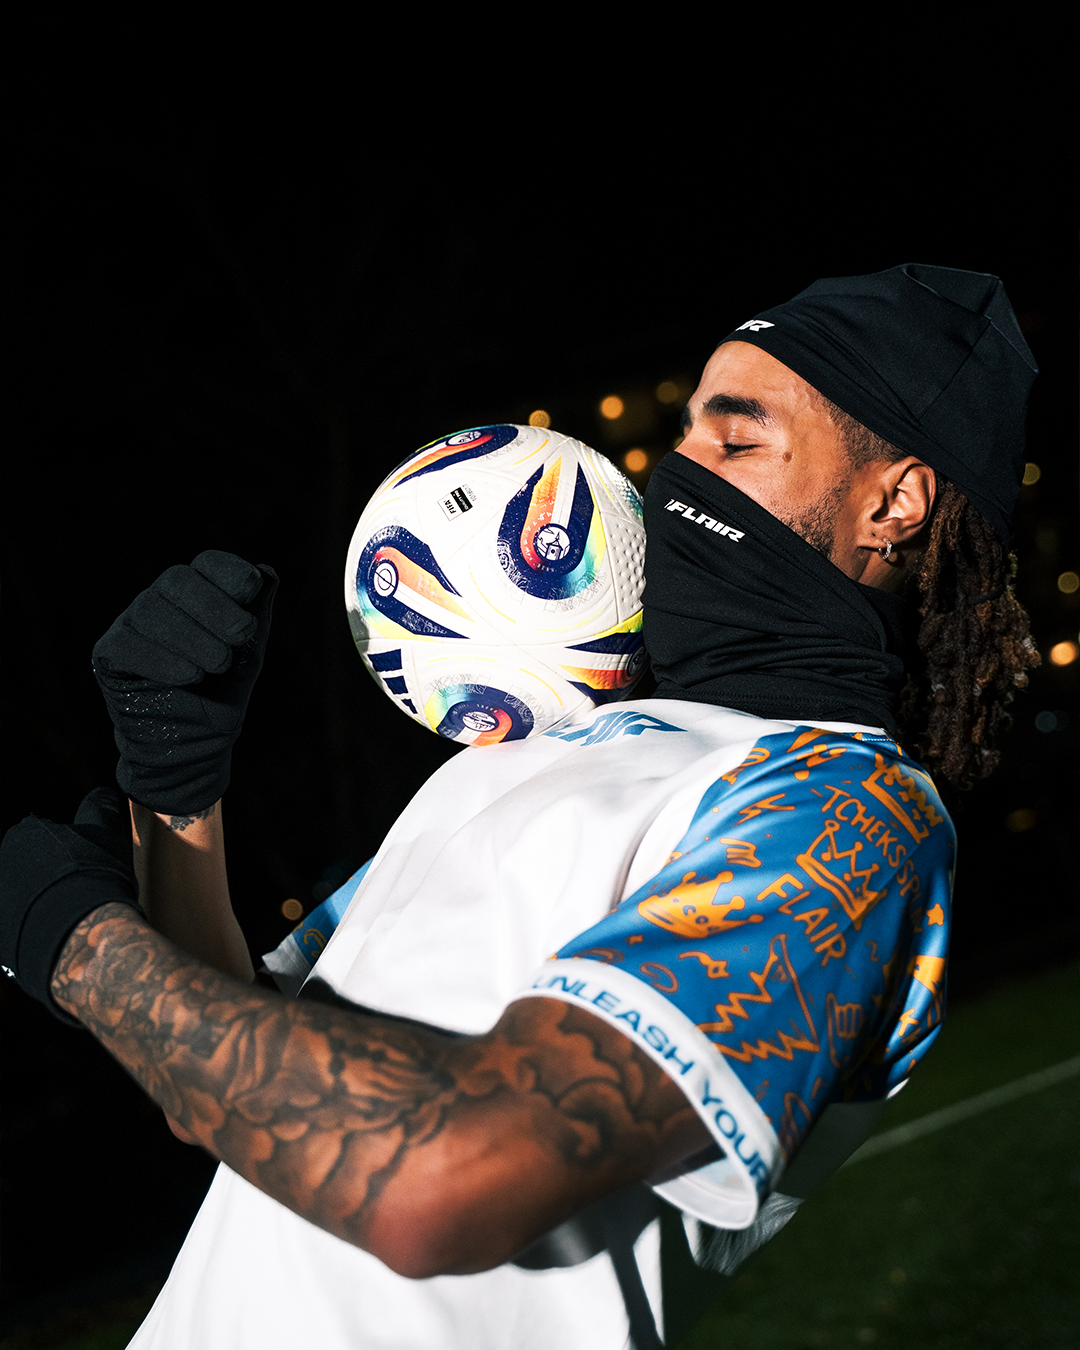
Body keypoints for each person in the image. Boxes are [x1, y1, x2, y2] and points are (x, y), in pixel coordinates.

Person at [0, 263, 1039, 1349]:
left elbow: (444, 1183)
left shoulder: (846, 812)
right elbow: (240, 1087)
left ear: (893, 504)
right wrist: (176, 794)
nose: (676, 475)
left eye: (737, 442)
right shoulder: (545, 744)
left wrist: (81, 948)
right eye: (685, 435)